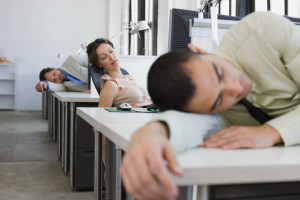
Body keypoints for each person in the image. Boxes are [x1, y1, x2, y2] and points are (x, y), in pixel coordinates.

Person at [120, 11, 300, 200]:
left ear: (199, 50)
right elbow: (187, 124)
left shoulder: (263, 30)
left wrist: (271, 132)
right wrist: (153, 132)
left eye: (219, 73)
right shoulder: (218, 113)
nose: (236, 88)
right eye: (219, 100)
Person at [86, 38, 152, 107]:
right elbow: (102, 115)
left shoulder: (128, 77)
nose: (111, 57)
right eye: (104, 57)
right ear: (99, 64)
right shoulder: (111, 85)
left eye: (111, 51)